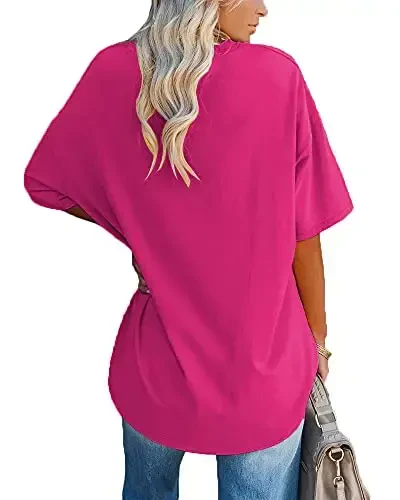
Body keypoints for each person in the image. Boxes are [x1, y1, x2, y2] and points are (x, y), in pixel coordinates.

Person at [23, 1, 354, 499]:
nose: (263, 9)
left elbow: (49, 184)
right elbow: (304, 234)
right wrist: (318, 338)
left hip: (156, 364)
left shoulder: (113, 70)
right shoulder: (277, 76)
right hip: (261, 364)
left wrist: (141, 226)